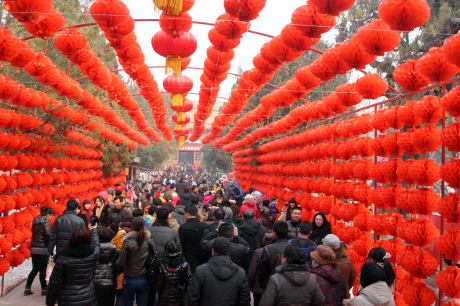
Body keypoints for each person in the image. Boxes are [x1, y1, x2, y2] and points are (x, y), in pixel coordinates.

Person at [187, 237, 251, 306]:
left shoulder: (200, 271)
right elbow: (244, 299)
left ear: (213, 251)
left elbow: (192, 298)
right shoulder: (240, 273)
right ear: (229, 253)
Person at [46, 226, 100, 306]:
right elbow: (96, 243)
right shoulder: (93, 254)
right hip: (88, 297)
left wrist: (50, 302)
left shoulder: (63, 257)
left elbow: (54, 282)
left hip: (67, 298)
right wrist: (93, 230)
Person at [259, 245, 325, 306]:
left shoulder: (275, 279)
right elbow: (320, 301)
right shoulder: (312, 278)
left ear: (285, 259)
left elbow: (266, 303)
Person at [115, 217, 156, 306]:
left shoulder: (127, 242)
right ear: (144, 227)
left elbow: (120, 262)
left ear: (132, 227)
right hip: (145, 279)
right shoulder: (149, 241)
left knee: (127, 303)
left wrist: (117, 270)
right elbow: (155, 257)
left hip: (129, 278)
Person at [25, 206, 54, 296]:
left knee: (35, 269)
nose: (51, 218)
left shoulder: (35, 222)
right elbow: (48, 236)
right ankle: (44, 289)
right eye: (51, 216)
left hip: (34, 249)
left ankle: (27, 288)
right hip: (42, 250)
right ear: (48, 215)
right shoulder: (46, 224)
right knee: (42, 270)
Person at [154, 241, 193, 306]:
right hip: (180, 297)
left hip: (165, 297)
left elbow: (158, 283)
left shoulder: (162, 264)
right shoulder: (185, 265)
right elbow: (190, 282)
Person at [257, 221, 292, 290]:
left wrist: (264, 285)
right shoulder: (292, 248)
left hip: (271, 285)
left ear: (274, 233)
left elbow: (261, 270)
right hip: (289, 285)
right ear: (287, 233)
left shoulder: (268, 249)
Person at [93, 227, 119, 306]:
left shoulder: (93, 251)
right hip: (110, 284)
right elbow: (119, 267)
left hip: (95, 283)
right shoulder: (116, 251)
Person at [179, 205, 208, 273]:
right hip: (201, 256)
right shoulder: (204, 226)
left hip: (188, 256)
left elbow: (181, 244)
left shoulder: (183, 228)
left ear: (187, 214)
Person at [248, 233, 274, 306]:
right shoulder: (276, 251)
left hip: (258, 287)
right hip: (272, 286)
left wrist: (249, 285)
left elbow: (252, 271)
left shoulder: (258, 252)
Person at [109, 214, 126, 306]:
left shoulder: (104, 234)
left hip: (106, 273)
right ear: (120, 223)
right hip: (120, 271)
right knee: (120, 295)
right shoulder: (124, 237)